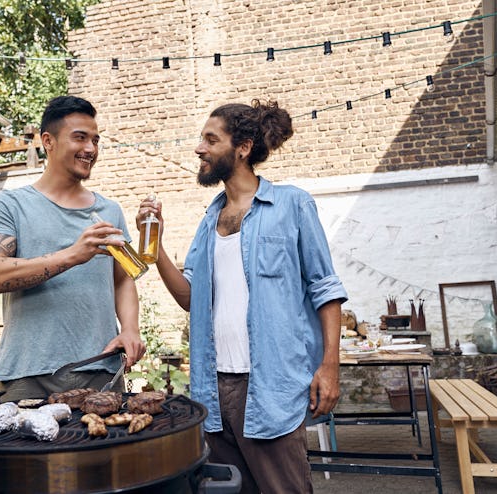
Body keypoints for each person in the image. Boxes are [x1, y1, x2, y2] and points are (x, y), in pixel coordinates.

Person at [136, 100, 347, 494]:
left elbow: (325, 288)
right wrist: (158, 244)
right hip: (213, 389)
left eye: (211, 139)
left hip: (270, 386)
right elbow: (189, 298)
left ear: (243, 148)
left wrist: (329, 366)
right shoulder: (208, 220)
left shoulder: (291, 204)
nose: (200, 148)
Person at [0, 95, 145, 402]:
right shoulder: (10, 204)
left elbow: (123, 279)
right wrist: (72, 255)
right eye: (80, 138)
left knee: (107, 450)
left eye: (95, 140)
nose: (91, 149)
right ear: (48, 141)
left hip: (101, 370)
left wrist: (131, 329)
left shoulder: (110, 211)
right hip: (28, 375)